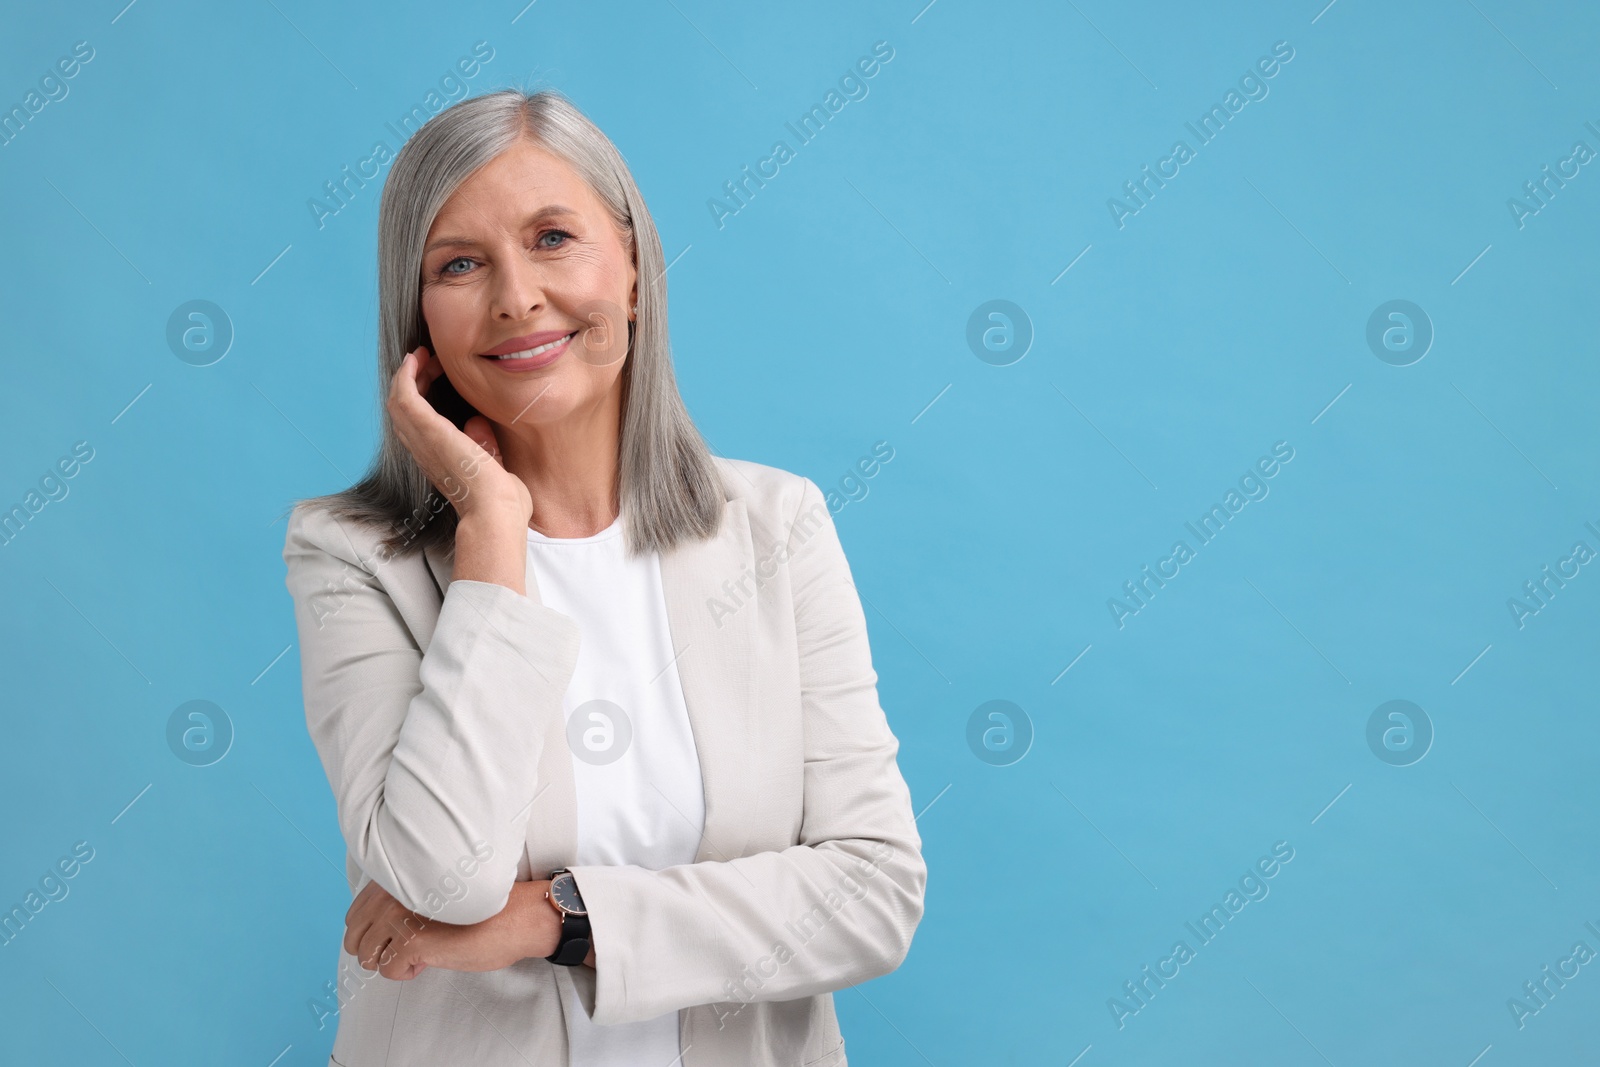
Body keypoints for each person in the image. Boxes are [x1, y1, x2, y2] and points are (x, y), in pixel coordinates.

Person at [280, 87, 926, 1067]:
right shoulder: (352, 552)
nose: (514, 297)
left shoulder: (775, 526)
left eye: (552, 238)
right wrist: (494, 528)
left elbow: (870, 895)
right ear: (416, 319)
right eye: (459, 263)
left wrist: (557, 916)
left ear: (634, 268)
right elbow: (441, 877)